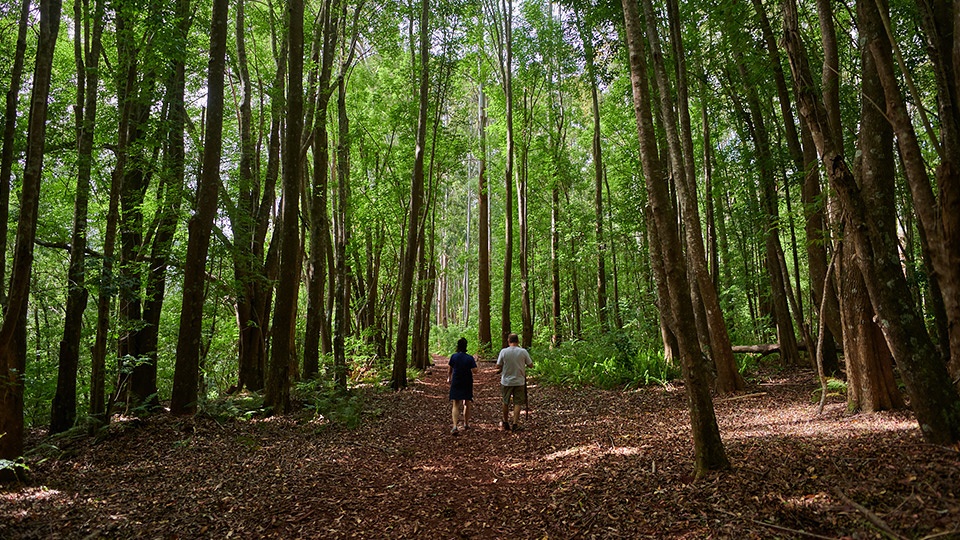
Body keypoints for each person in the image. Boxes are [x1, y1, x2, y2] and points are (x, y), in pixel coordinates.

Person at [496, 333, 533, 431]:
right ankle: (515, 423)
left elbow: (497, 366)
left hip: (506, 381)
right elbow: (530, 365)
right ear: (518, 341)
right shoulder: (523, 352)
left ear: (508, 341)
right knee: (518, 403)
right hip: (519, 381)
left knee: (505, 401)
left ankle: (506, 422)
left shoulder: (503, 351)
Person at [447, 337, 477, 435]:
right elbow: (475, 371)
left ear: (458, 346)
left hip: (456, 381)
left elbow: (450, 369)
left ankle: (455, 425)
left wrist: (449, 378)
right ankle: (466, 423)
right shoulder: (469, 358)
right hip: (467, 381)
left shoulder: (453, 356)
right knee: (467, 402)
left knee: (456, 403)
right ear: (466, 346)